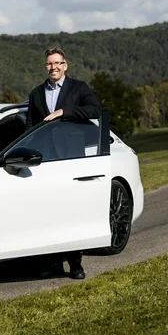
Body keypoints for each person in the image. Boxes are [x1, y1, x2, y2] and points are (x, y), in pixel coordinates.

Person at [26, 47, 101, 280]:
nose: (53, 67)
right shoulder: (36, 93)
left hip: (71, 159)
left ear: (65, 65)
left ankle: (76, 264)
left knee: (72, 211)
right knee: (50, 212)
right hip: (46, 161)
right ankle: (54, 264)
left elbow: (95, 110)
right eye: (49, 63)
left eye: (58, 63)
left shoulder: (79, 88)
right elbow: (30, 127)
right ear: (45, 66)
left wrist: (63, 112)